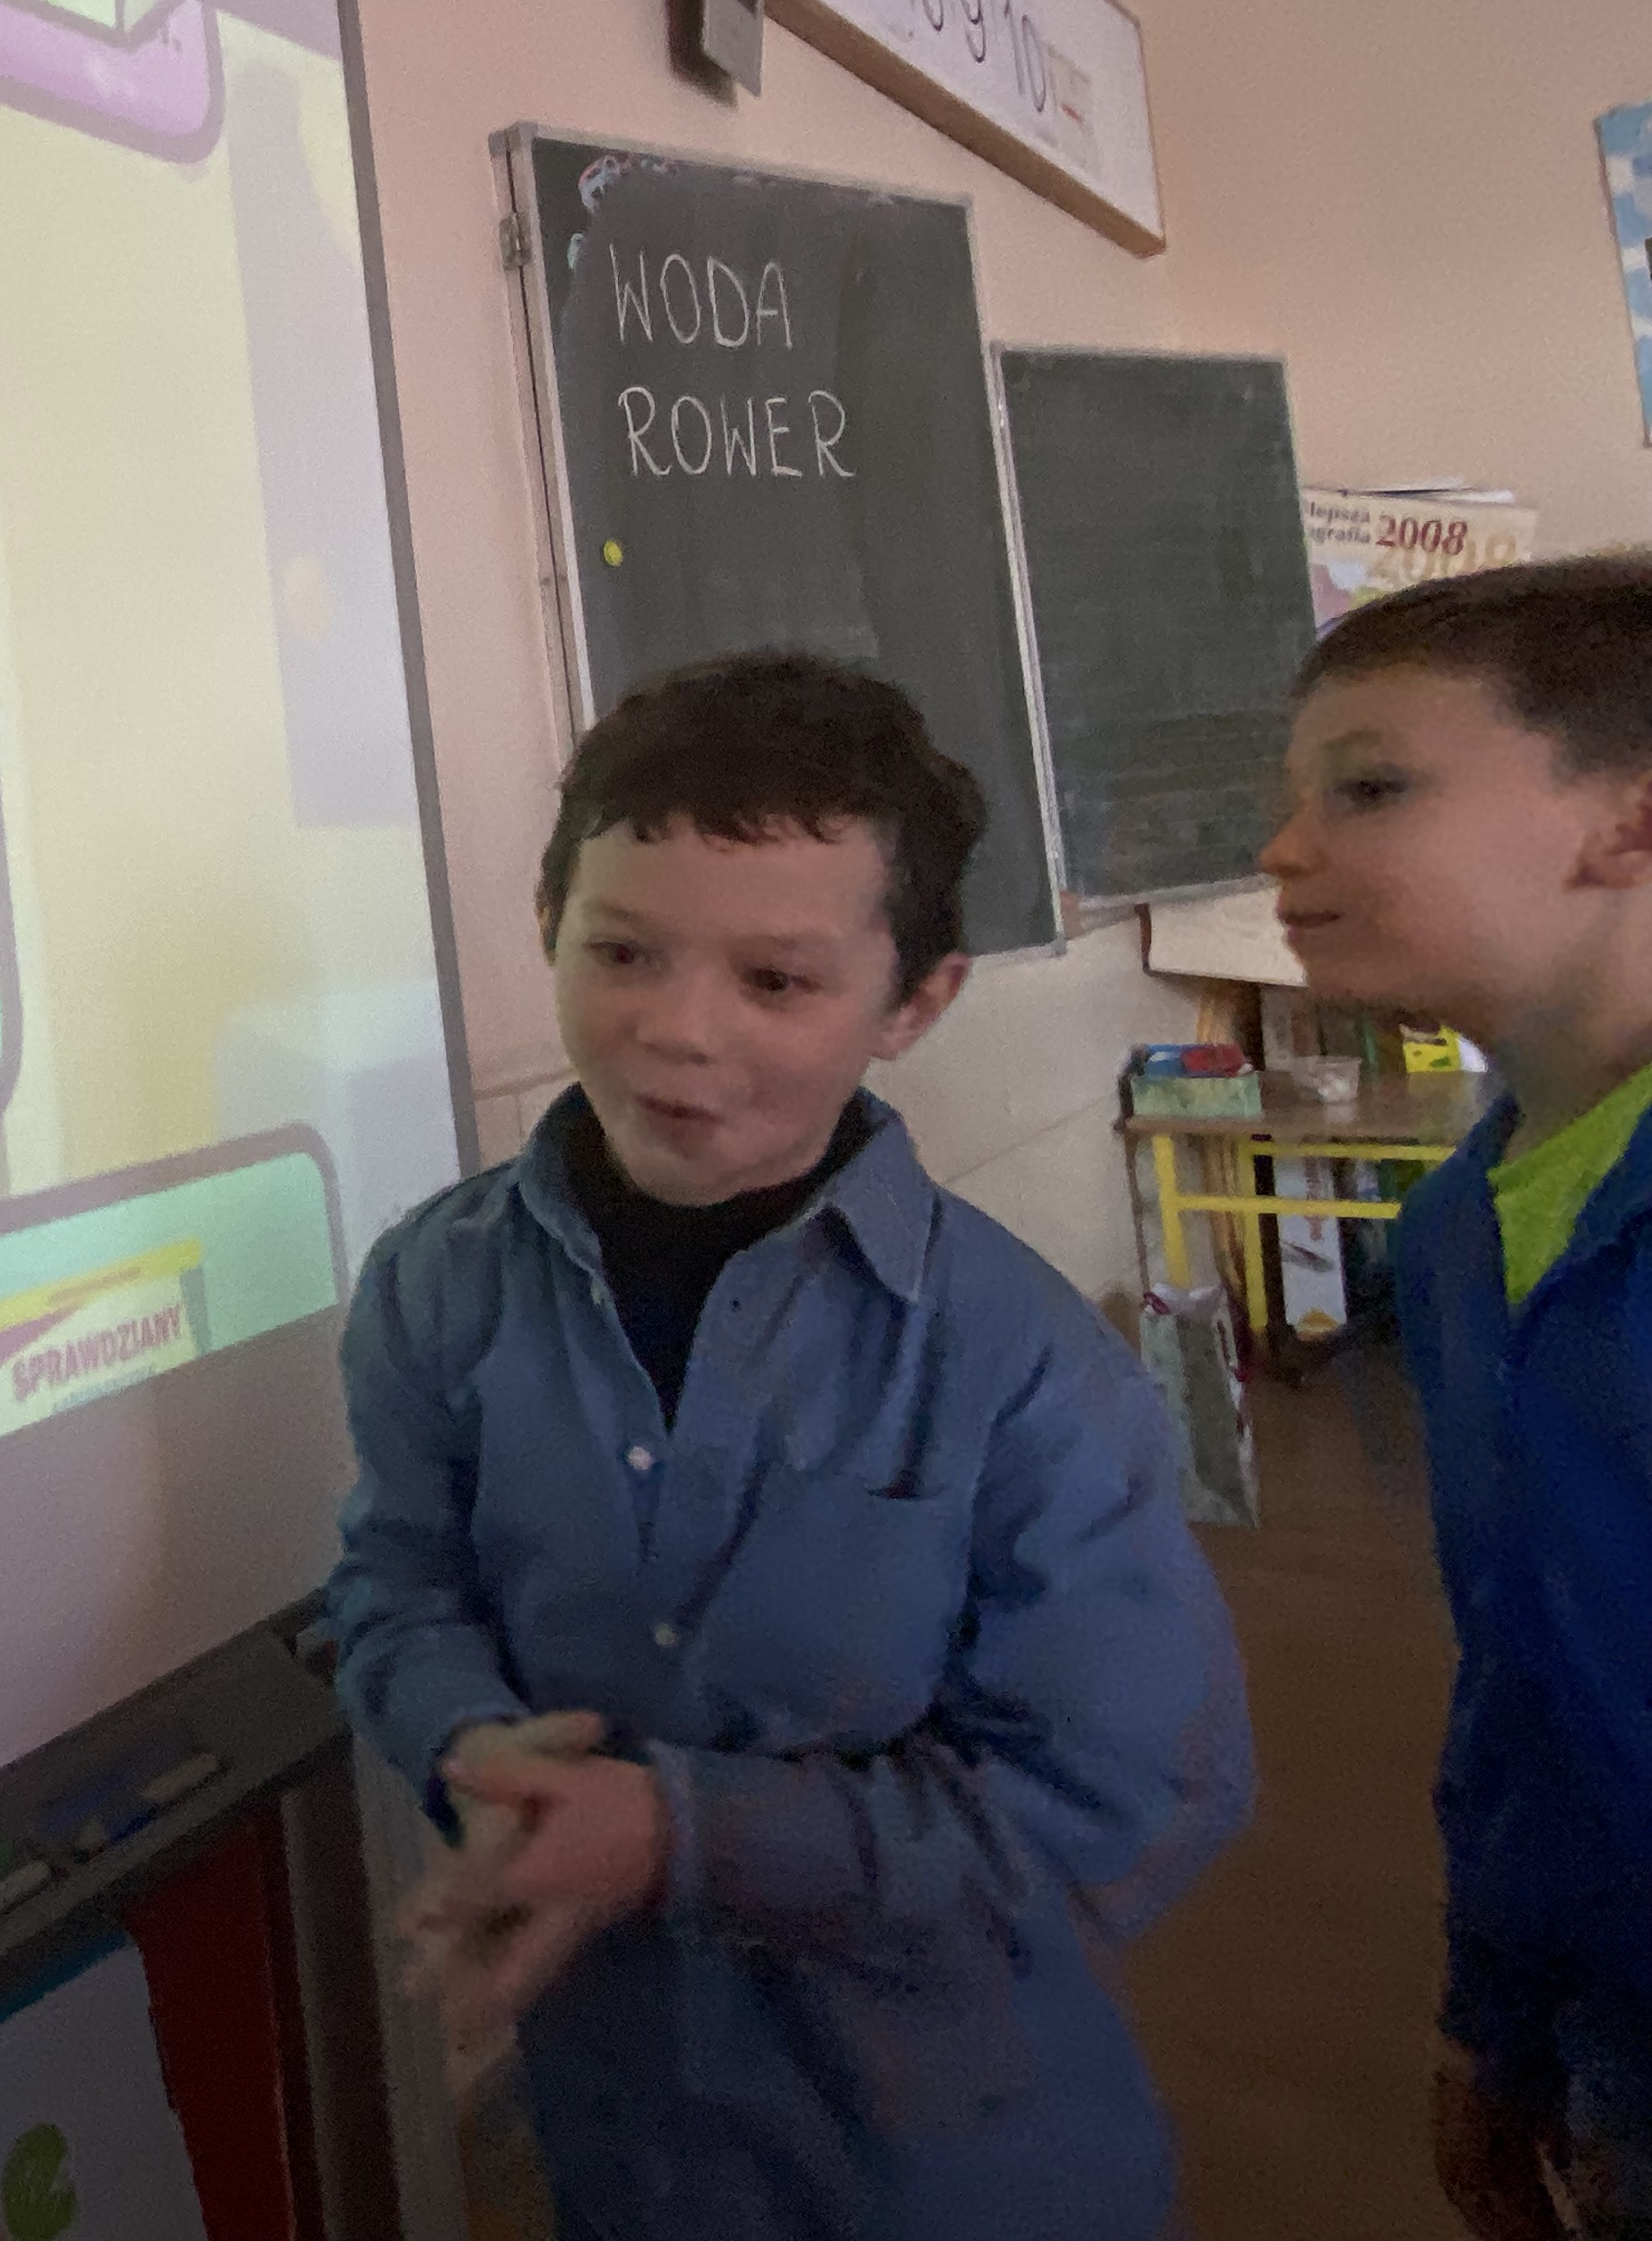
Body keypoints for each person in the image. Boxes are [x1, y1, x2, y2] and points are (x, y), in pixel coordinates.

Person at [327, 650, 1251, 2239]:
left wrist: (678, 1838)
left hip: (949, 2165)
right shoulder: (438, 1282)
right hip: (622, 2139)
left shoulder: (1019, 1363)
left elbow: (1124, 1798)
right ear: (547, 926)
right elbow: (396, 1582)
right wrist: (470, 1738)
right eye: (623, 952)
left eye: (776, 982)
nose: (678, 1032)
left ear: (916, 1004)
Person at [1259, 553, 1652, 2241]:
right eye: (1294, 798)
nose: (1284, 852)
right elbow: (1526, 1673)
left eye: (1371, 790)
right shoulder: (1452, 1235)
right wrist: (1495, 2019)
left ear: (1628, 823)